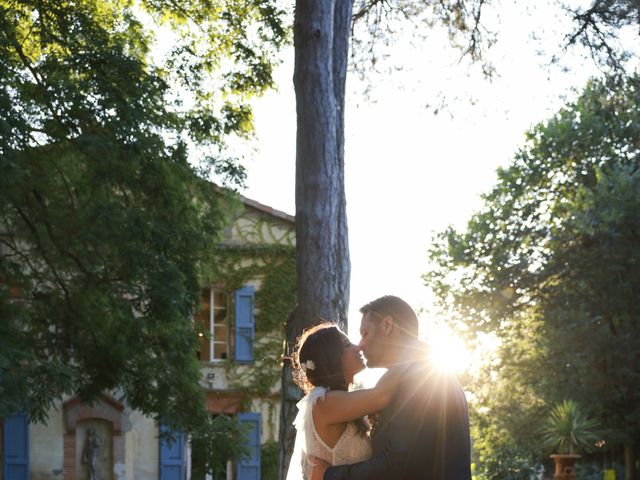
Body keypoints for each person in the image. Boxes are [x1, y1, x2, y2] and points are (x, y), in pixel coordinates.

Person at [311, 295, 472, 480]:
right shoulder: (423, 371)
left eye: (365, 333)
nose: (361, 345)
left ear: (387, 325)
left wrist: (330, 475)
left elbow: (397, 466)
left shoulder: (418, 376)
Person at [286, 322, 399, 480]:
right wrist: (407, 354)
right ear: (331, 357)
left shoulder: (339, 403)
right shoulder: (323, 401)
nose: (358, 347)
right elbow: (382, 395)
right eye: (347, 344)